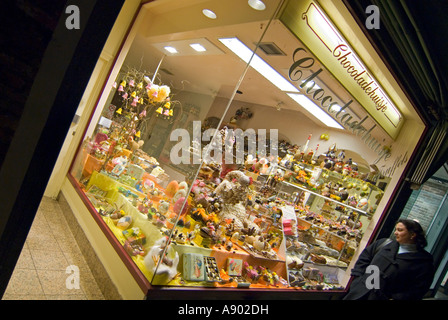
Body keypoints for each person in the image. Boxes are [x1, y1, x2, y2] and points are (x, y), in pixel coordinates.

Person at [343, 218, 434, 300]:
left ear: (412, 234)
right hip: (358, 293)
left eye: (400, 230)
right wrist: (357, 280)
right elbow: (364, 258)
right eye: (395, 229)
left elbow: (417, 290)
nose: (395, 232)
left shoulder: (423, 262)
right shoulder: (384, 244)